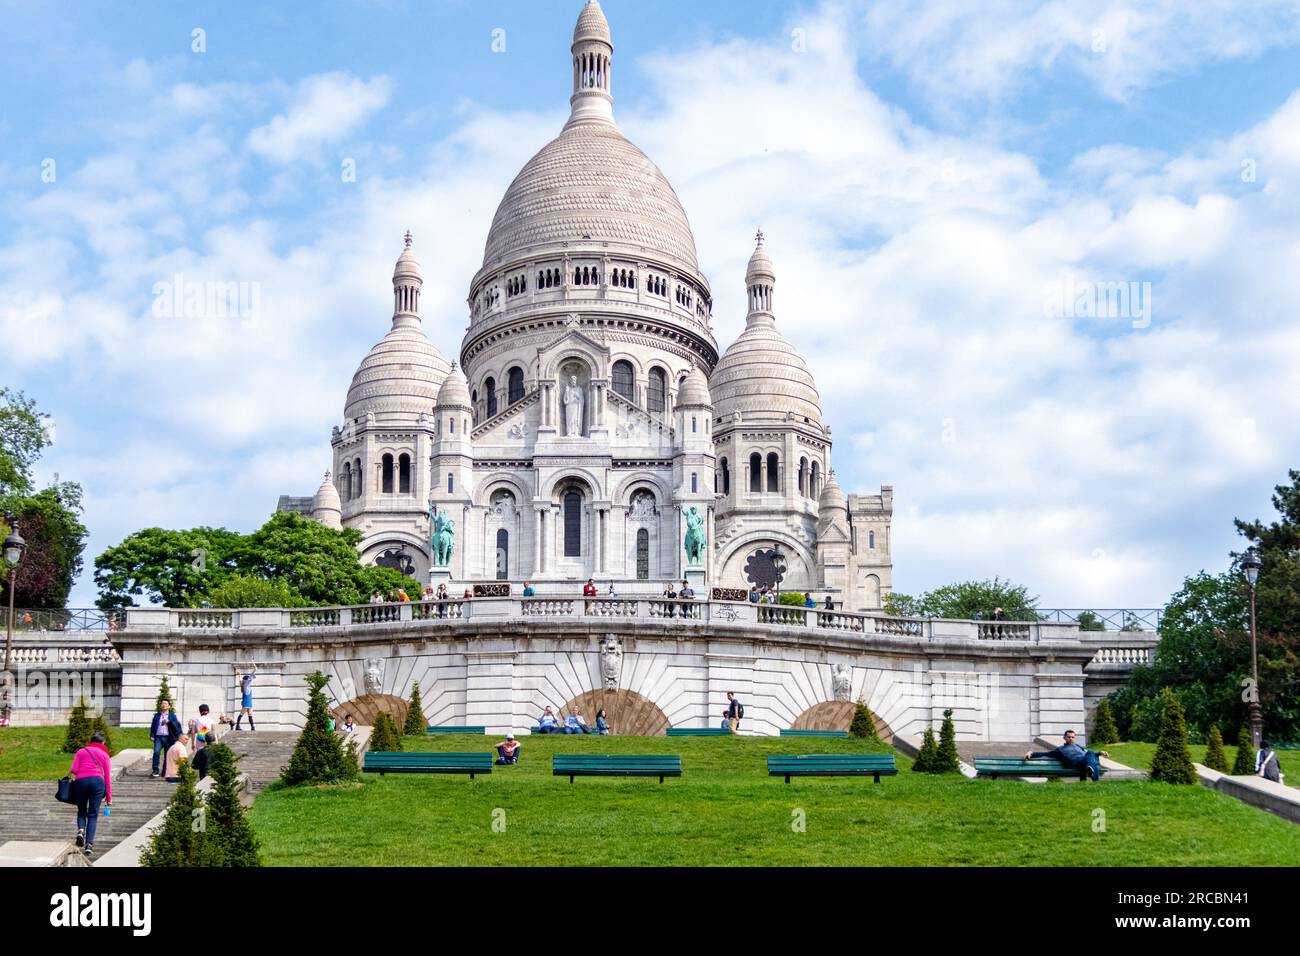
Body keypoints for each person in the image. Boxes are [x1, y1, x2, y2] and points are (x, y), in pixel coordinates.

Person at [68, 730, 112, 857]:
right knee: (92, 815)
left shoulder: (81, 751)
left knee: (81, 810)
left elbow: (74, 769)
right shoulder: (104, 754)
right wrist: (108, 797)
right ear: (102, 742)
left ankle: (81, 830)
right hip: (98, 783)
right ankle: (89, 845)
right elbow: (107, 777)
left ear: (91, 741)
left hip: (81, 782)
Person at [1025, 729, 1109, 781]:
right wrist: (1031, 753)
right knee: (1090, 755)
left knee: (1090, 752)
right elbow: (1045, 754)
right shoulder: (1060, 749)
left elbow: (1090, 755)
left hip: (1085, 761)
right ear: (1064, 738)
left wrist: (1099, 753)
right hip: (1076, 763)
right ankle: (1094, 777)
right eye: (1069, 737)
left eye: (1072, 737)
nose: (1071, 739)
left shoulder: (1078, 746)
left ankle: (1089, 769)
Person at [149, 699, 182, 778]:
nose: (163, 705)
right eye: (162, 703)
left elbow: (176, 726)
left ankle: (165, 771)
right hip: (158, 737)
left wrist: (169, 722)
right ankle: (155, 770)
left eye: (165, 703)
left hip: (168, 738)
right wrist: (152, 735)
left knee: (167, 755)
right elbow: (153, 726)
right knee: (156, 752)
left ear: (169, 706)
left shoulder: (172, 716)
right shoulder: (157, 715)